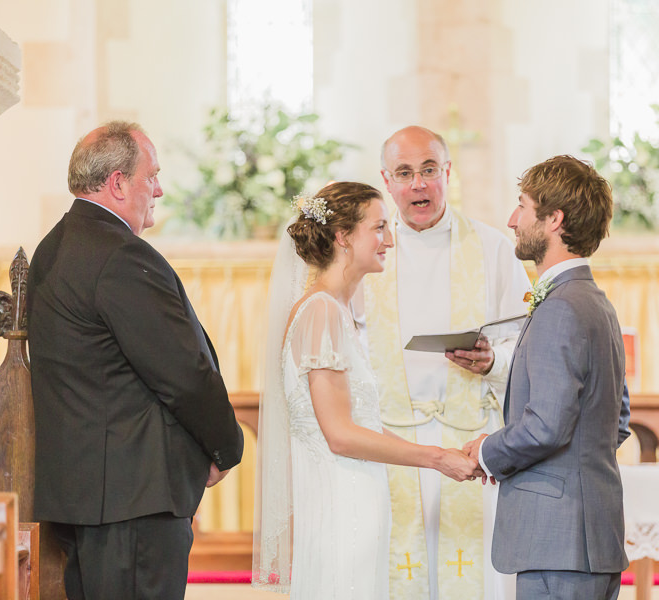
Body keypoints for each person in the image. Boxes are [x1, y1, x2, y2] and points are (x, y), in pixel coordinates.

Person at [27, 121, 245, 600]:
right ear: (118, 183)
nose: (159, 190)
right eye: (152, 176)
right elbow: (183, 373)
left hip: (89, 497)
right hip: (135, 501)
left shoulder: (54, 247)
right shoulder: (120, 255)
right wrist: (225, 447)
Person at [252, 182, 478, 599]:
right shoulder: (321, 311)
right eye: (379, 227)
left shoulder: (334, 309)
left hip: (357, 498)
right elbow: (340, 435)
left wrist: (441, 453)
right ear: (343, 236)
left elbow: (362, 423)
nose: (389, 240)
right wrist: (435, 458)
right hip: (342, 506)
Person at [357, 125, 531, 599]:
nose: (419, 184)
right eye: (404, 173)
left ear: (448, 173)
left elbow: (527, 344)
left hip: (468, 444)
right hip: (391, 445)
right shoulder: (365, 253)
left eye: (429, 170)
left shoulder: (493, 248)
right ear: (386, 180)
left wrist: (492, 361)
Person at [465, 155, 629, 600]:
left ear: (554, 219)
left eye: (522, 206)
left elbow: (546, 426)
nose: (512, 220)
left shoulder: (560, 308)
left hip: (559, 544)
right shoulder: (596, 302)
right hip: (587, 538)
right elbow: (617, 420)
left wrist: (487, 452)